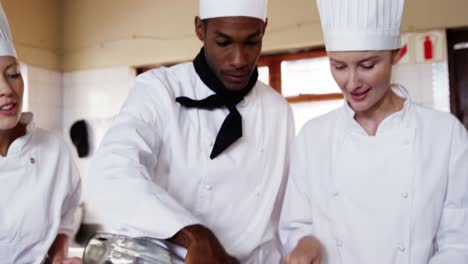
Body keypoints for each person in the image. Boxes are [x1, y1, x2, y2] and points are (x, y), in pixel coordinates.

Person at [88, 0, 294, 263]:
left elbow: (285, 215)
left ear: (264, 29)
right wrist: (195, 236)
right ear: (200, 29)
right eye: (224, 42)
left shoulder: (278, 111)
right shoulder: (159, 90)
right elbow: (112, 172)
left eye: (252, 42)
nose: (239, 60)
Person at [279, 0, 468, 263]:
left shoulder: (444, 135)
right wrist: (306, 242)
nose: (352, 82)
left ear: (396, 53)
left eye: (367, 66)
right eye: (339, 66)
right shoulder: (313, 137)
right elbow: (296, 225)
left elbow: (460, 242)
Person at [0, 4, 82, 264]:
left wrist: (58, 258)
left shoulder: (54, 150)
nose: (6, 89)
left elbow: (65, 220)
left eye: (12, 74)